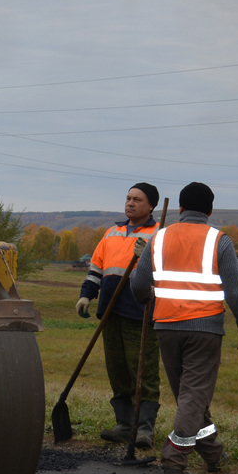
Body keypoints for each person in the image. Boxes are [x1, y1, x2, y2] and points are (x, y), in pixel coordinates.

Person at [130, 182, 238, 474]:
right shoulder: (219, 241)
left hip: (165, 326)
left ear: (181, 209)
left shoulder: (158, 238)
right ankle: (174, 455)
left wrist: (148, 299)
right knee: (194, 395)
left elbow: (138, 284)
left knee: (189, 396)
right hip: (205, 329)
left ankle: (213, 452)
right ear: (210, 211)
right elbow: (235, 291)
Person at [75, 183, 163, 446]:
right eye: (128, 198)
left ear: (151, 206)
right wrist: (86, 294)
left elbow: (164, 272)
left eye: (137, 199)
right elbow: (97, 268)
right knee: (117, 369)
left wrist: (146, 256)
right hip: (111, 310)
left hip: (141, 311)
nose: (130, 203)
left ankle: (144, 428)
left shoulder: (160, 235)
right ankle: (124, 425)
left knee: (142, 370)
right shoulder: (112, 232)